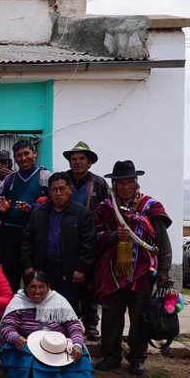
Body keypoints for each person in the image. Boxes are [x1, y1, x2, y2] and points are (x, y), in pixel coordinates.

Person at [94, 160, 173, 376]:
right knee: (111, 316)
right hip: (112, 271)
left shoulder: (150, 206)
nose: (125, 186)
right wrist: (112, 236)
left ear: (136, 183)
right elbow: (95, 235)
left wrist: (164, 270)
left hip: (142, 271)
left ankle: (138, 357)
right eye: (120, 182)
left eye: (129, 182)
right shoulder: (105, 208)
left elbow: (162, 241)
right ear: (114, 184)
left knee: (139, 315)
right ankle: (111, 356)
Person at [0, 271, 102, 378]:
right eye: (32, 287)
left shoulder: (59, 301)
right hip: (27, 343)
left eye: (41, 286)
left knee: (77, 355)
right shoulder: (18, 302)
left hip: (57, 344)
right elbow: (7, 327)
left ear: (48, 287)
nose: (37, 291)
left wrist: (77, 343)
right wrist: (15, 337)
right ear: (26, 288)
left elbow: (74, 325)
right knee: (26, 357)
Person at [21, 171, 96, 317]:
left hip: (69, 271)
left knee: (67, 312)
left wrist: (81, 268)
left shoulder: (82, 214)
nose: (58, 193)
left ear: (70, 190)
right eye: (54, 189)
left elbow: (89, 244)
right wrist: (28, 266)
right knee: (41, 311)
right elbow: (26, 240)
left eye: (62, 189)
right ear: (49, 191)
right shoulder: (38, 212)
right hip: (42, 269)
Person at [62, 142, 110, 338]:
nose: (78, 162)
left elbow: (107, 209)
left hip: (91, 236)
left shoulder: (98, 183)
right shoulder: (63, 180)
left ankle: (91, 323)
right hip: (65, 236)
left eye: (82, 158)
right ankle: (68, 321)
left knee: (90, 282)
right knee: (67, 282)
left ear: (89, 162)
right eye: (74, 159)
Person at [0, 139, 50, 293]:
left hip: (35, 236)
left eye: (27, 153)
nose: (24, 158)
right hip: (10, 236)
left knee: (33, 279)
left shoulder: (45, 176)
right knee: (9, 279)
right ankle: (11, 314)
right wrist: (2, 209)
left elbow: (53, 204)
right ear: (15, 158)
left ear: (35, 153)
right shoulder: (10, 180)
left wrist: (32, 207)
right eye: (19, 155)